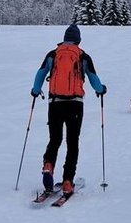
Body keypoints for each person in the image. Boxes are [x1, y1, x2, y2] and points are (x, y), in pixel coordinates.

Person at [30, 24, 106, 196]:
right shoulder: (83, 56)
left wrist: (35, 90)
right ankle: (67, 181)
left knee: (55, 139)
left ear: (64, 38)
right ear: (78, 40)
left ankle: (48, 164)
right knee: (72, 143)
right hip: (75, 105)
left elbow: (40, 73)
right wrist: (101, 89)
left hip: (55, 103)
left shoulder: (53, 54)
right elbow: (94, 79)